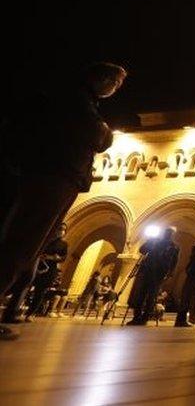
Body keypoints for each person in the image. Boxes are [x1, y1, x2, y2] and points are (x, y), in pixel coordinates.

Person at [0, 62, 125, 340]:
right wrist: (104, 131)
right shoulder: (76, 102)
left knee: (25, 244)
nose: (115, 89)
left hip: (55, 176)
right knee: (22, 243)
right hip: (55, 177)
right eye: (114, 83)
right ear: (101, 78)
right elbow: (99, 137)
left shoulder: (77, 100)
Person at [128, 227, 180, 326]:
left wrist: (169, 274)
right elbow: (142, 250)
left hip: (159, 273)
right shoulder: (155, 241)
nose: (168, 234)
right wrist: (150, 241)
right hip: (148, 270)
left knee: (151, 297)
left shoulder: (174, 247)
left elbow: (174, 262)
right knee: (140, 295)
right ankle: (136, 317)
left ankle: (145, 318)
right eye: (167, 231)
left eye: (170, 232)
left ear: (172, 234)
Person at [25, 225, 69, 319]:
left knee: (40, 291)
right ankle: (17, 310)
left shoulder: (63, 244)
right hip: (36, 265)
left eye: (64, 230)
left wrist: (55, 258)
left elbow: (63, 258)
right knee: (25, 286)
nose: (61, 231)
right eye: (60, 228)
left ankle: (30, 313)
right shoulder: (46, 240)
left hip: (49, 269)